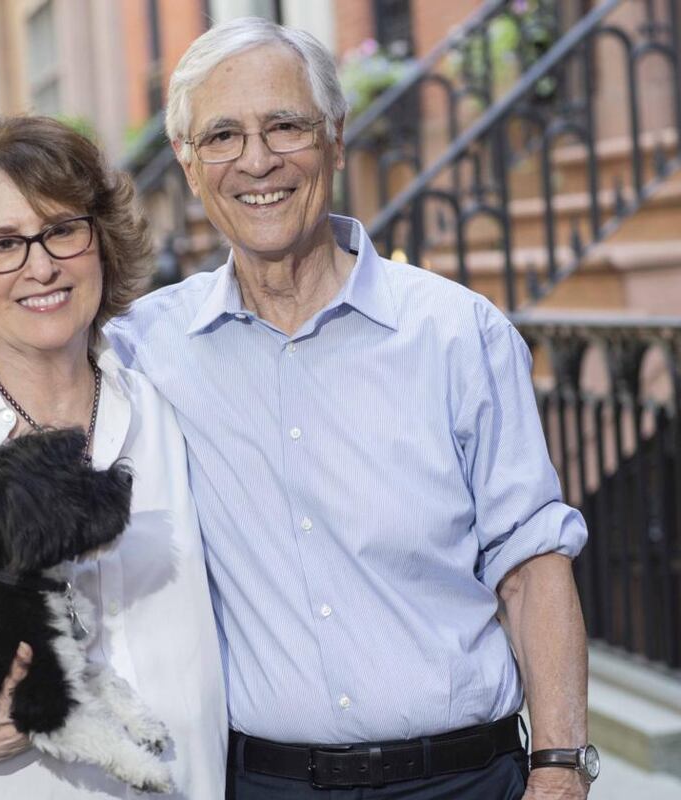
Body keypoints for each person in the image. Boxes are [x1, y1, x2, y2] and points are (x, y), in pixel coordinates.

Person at [105, 16, 595, 800]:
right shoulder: (143, 350)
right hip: (262, 784)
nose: (256, 161)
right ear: (189, 167)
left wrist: (561, 768)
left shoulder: (457, 333)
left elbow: (532, 567)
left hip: (468, 780)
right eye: (223, 136)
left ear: (335, 138)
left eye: (285, 126)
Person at [0, 116, 226, 799]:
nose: (42, 266)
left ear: (100, 241)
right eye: (3, 244)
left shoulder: (173, 412)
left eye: (63, 229)